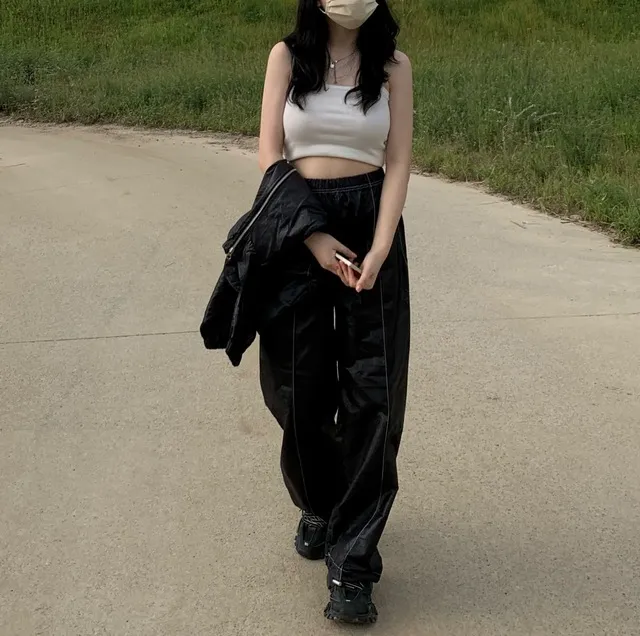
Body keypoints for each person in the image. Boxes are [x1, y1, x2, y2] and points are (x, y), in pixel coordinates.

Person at [257, 0, 413, 624]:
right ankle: (319, 502)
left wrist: (379, 246)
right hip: (298, 227)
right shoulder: (286, 57)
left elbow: (398, 160)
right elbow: (269, 153)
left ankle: (353, 564)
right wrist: (314, 238)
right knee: (297, 387)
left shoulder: (393, 65)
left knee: (374, 394)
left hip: (371, 225)